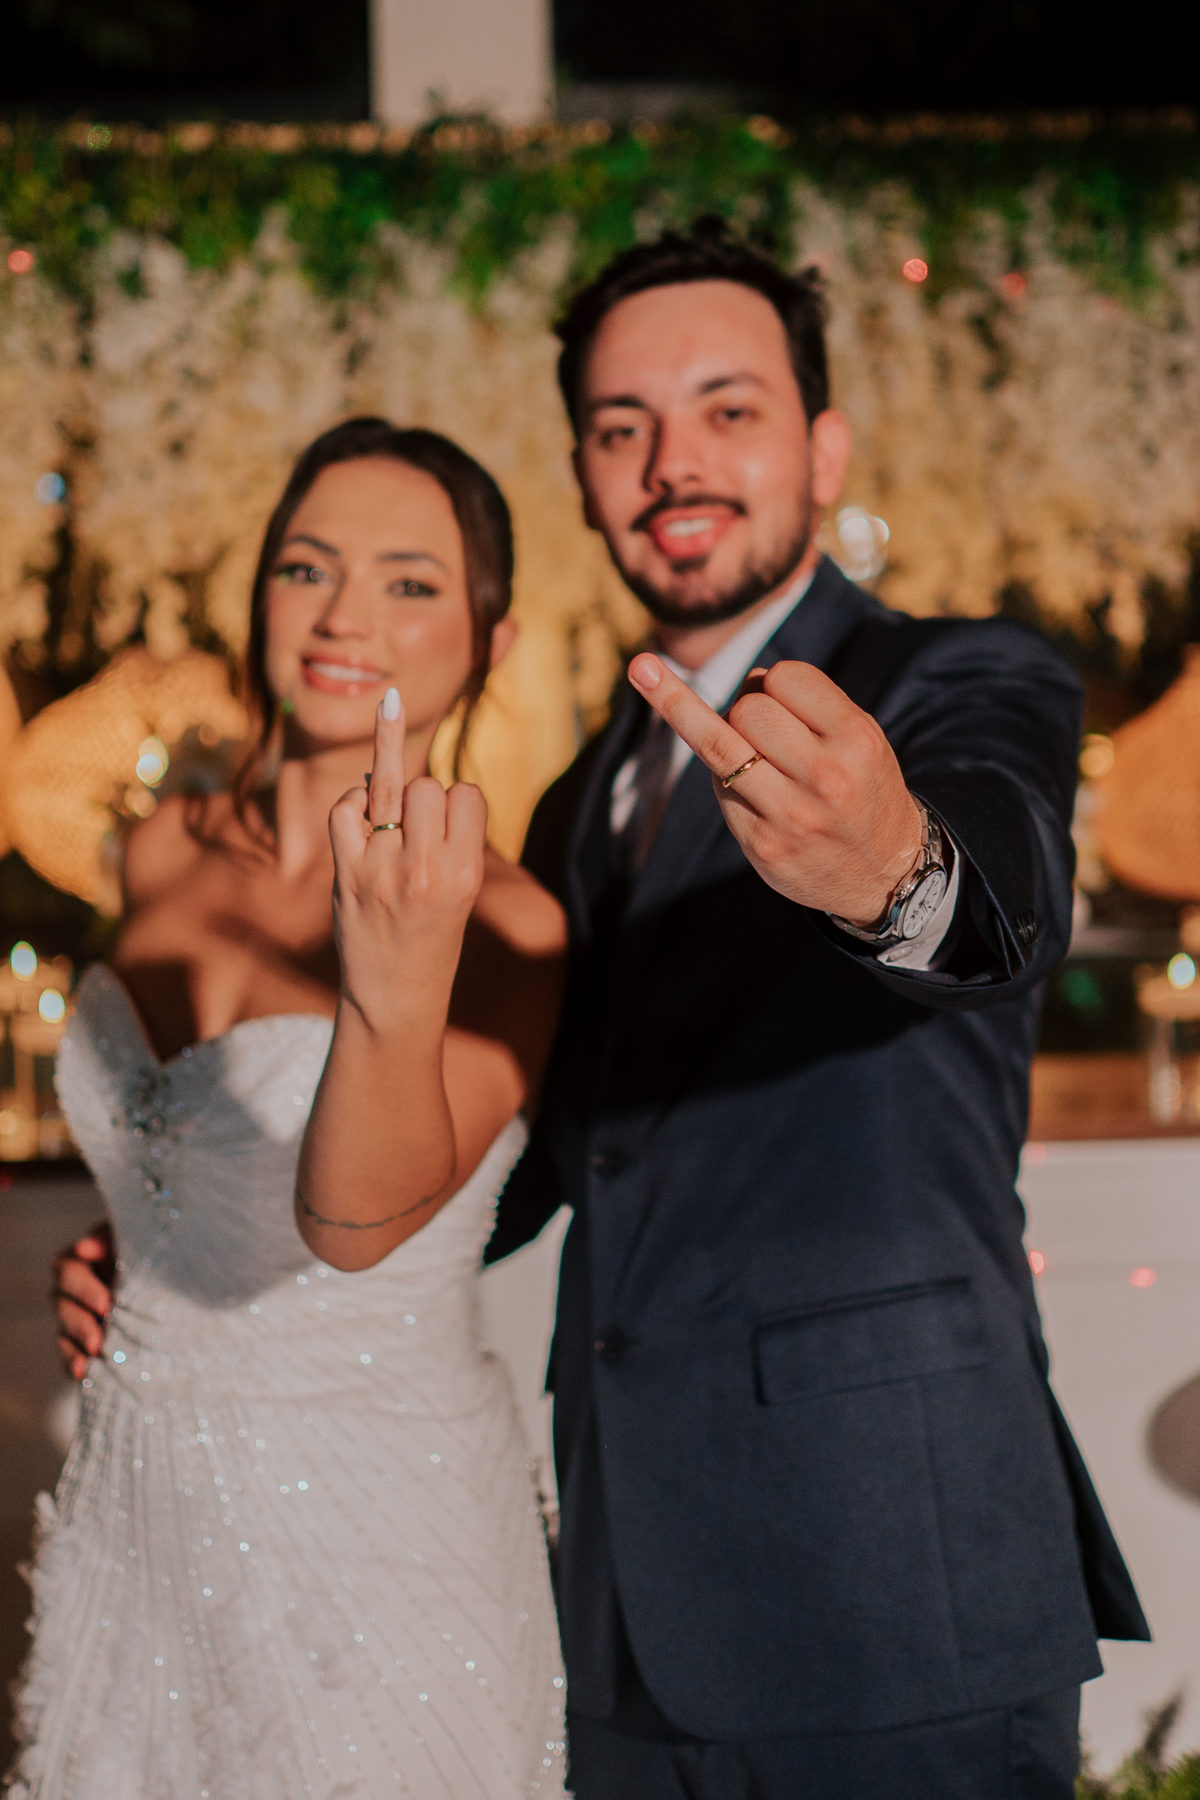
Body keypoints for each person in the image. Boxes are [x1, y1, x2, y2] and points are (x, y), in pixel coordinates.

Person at [483, 220, 1147, 1798]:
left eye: (728, 409)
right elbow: (546, 1148)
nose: (674, 463)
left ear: (823, 446)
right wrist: (230, 1235)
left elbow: (997, 899)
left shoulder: (959, 677)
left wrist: (892, 869)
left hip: (894, 1583)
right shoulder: (579, 796)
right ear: (583, 476)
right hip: (623, 1608)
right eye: (624, 427)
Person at [26, 417, 567, 1800]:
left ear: (491, 641)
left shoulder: (507, 923)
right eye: (306, 568)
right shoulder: (161, 850)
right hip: (133, 1508)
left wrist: (395, 976)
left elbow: (359, 1223)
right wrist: (128, 1250)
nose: (343, 618)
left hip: (371, 1542)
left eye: (409, 582)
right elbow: (181, 1156)